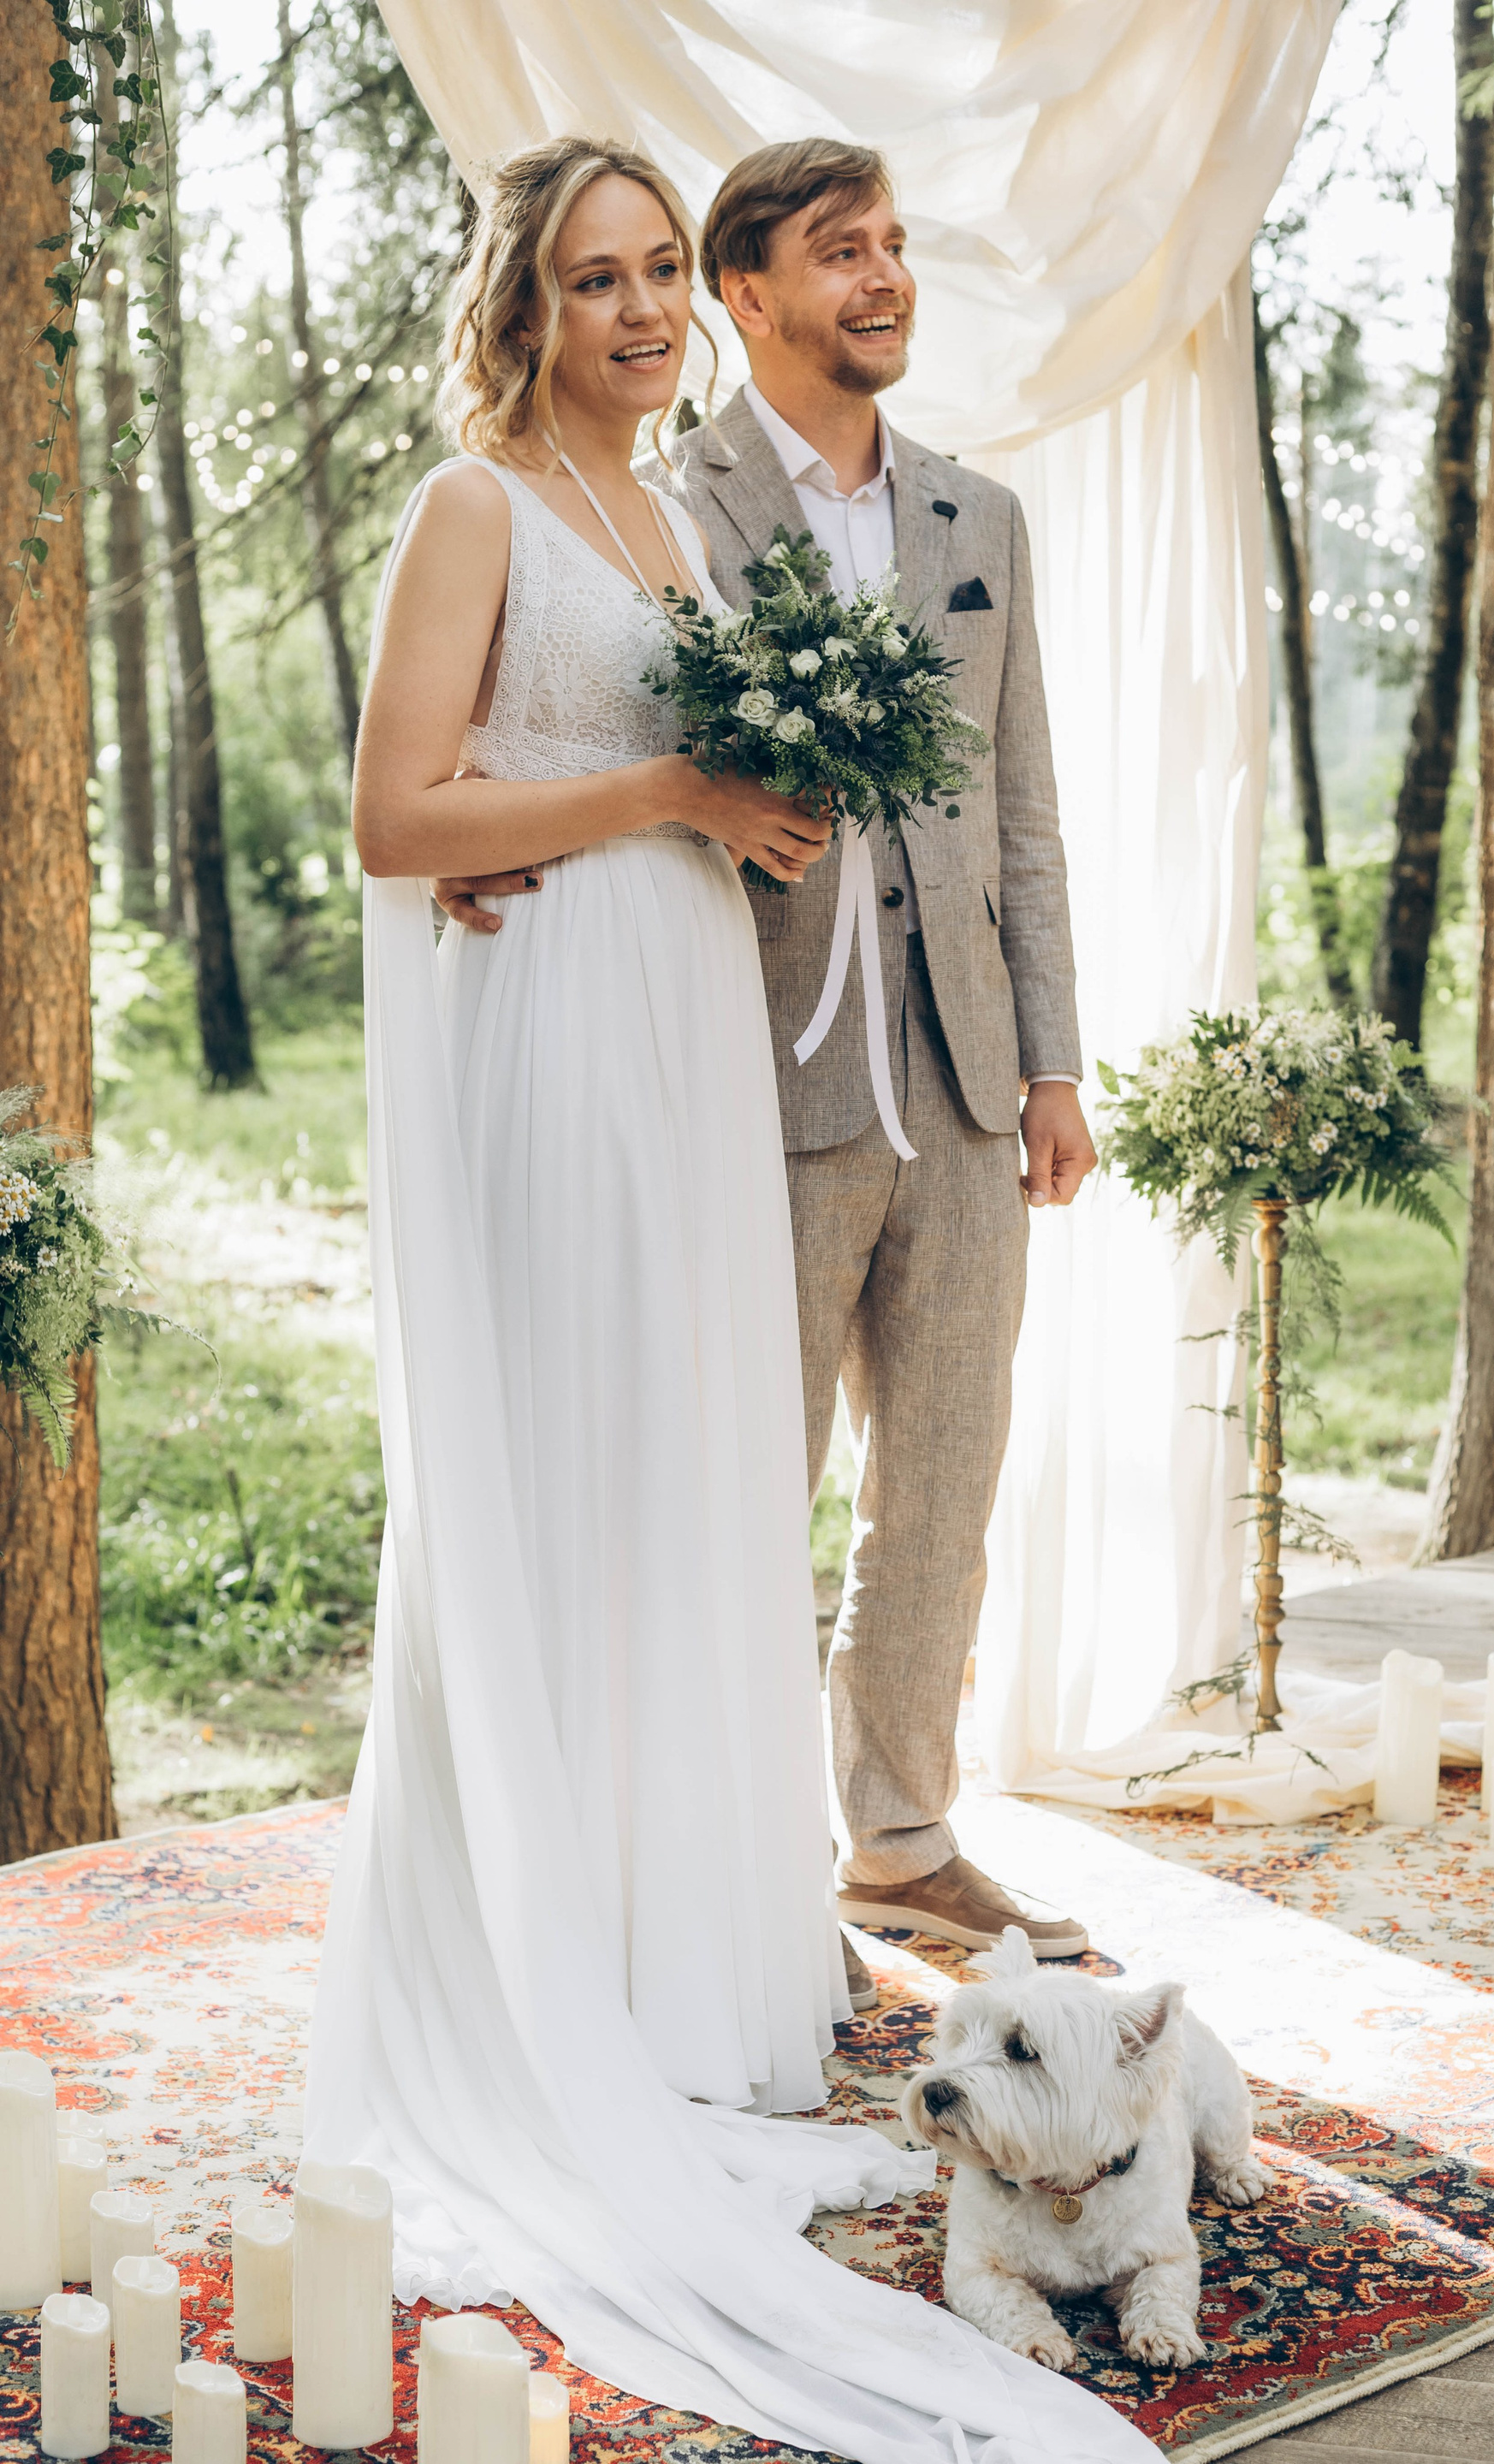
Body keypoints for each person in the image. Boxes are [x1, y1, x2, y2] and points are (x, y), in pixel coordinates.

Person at [308, 133, 1148, 2464]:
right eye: (600, 276)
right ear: (525, 297)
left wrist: (684, 809)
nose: (640, 307)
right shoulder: (488, 503)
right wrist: (637, 801)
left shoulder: (682, 523)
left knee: (697, 1516)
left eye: (659, 267)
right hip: (585, 1042)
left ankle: (688, 1949)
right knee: (585, 1499)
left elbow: (850, 791)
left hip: (702, 1025)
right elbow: (406, 812)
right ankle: (530, 1965)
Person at [448, 139, 1097, 1999]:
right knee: (741, 1485)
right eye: (841, 251)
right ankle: (732, 1868)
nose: (884, 277)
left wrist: (1055, 1061)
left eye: (895, 245)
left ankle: (903, 1839)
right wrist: (482, 841)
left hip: (963, 1080)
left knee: (943, 1488)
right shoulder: (663, 509)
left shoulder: (983, 519)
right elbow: (548, 710)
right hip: (745, 1070)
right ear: (748, 294)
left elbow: (1024, 815)